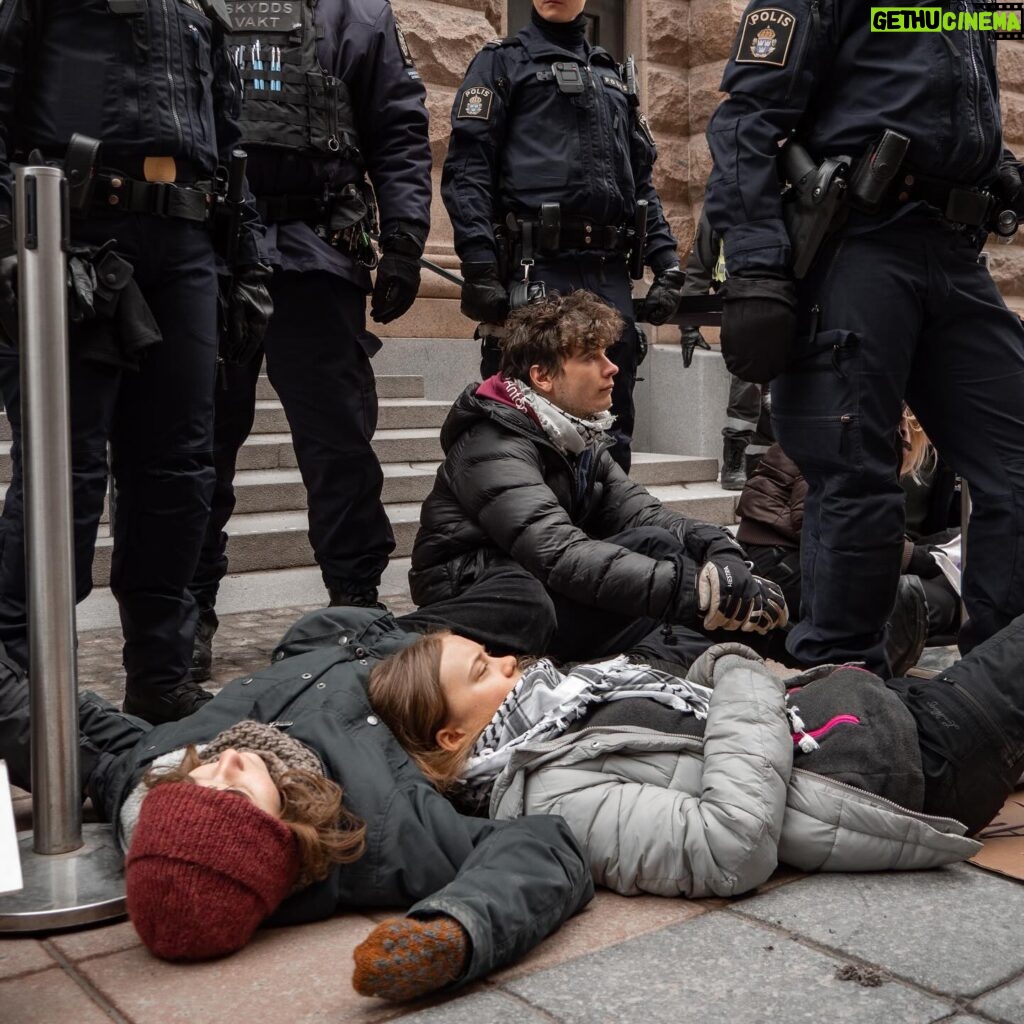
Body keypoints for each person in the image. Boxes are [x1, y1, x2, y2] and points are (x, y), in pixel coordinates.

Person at [0, 606, 592, 1000]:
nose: (223, 762)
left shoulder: (157, 783)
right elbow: (542, 847)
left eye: (199, 783)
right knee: (526, 603)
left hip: (147, 750)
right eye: (234, 791)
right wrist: (457, 929)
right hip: (404, 658)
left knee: (24, 699)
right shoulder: (385, 830)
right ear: (281, 833)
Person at [704, 1, 1024, 673]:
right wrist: (758, 270)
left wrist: (995, 166)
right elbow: (746, 124)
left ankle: (1004, 689)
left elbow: (939, 104)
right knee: (856, 481)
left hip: (953, 251)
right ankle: (839, 690)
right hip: (859, 245)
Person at [0, 0, 270, 724]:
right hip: (74, 232)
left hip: (184, 245)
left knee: (179, 471)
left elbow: (230, 136)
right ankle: (17, 683)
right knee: (66, 470)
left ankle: (161, 675)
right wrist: (13, 237)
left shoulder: (199, 11)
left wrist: (247, 261)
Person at [368, 611, 1024, 899]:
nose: (509, 660)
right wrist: (739, 677)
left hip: (871, 715)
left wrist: (710, 669)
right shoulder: (544, 794)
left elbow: (689, 736)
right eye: (482, 670)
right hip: (908, 760)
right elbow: (729, 845)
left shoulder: (554, 709)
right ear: (452, 737)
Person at [187, 0, 433, 680]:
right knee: (195, 444)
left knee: (340, 446)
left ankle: (353, 600)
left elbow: (397, 127)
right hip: (208, 252)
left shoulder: (356, 11)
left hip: (317, 253)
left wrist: (406, 240)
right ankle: (186, 611)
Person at [408, 289, 788, 666]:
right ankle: (674, 655)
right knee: (664, 600)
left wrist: (716, 548)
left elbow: (644, 515)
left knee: (658, 544)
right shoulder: (492, 445)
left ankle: (786, 647)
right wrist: (692, 589)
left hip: (539, 583)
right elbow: (559, 551)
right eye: (591, 357)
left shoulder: (573, 436)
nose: (612, 367)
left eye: (606, 353)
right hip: (481, 601)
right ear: (542, 376)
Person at [442, 0, 684, 471]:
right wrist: (478, 264)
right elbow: (468, 170)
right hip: (539, 271)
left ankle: (605, 541)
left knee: (611, 437)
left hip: (609, 273)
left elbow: (642, 183)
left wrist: (668, 264)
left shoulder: (612, 75)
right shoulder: (501, 61)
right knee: (525, 435)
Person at [737, 411, 962, 671]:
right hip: (780, 557)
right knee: (930, 599)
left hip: (800, 549)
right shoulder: (850, 422)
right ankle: (868, 670)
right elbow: (822, 520)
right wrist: (914, 557)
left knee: (949, 576)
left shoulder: (875, 424)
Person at [677, 209, 773, 491]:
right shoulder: (723, 202)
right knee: (747, 380)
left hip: (778, 300)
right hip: (737, 303)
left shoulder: (783, 194)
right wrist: (690, 324)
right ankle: (735, 459)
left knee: (777, 388)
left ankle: (765, 465)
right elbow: (699, 264)